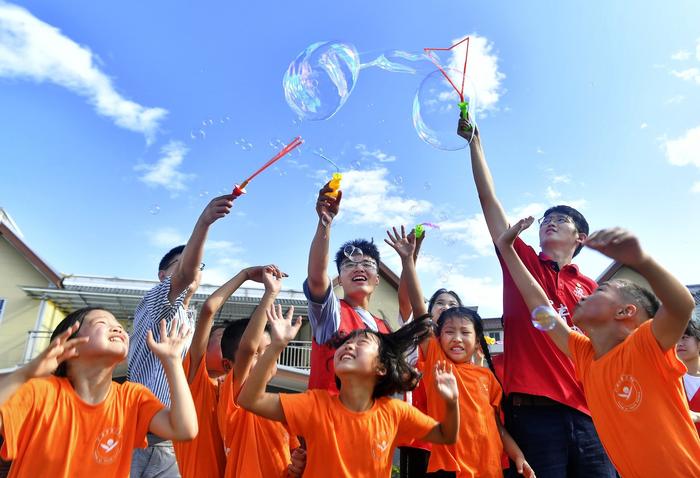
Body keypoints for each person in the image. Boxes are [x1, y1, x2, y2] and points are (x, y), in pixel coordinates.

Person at [457, 120, 615, 477]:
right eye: (546, 218)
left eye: (560, 219)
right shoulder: (521, 260)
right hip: (532, 414)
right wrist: (475, 143)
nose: (550, 222)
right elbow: (489, 200)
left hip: (589, 413)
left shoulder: (591, 288)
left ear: (581, 237)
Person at [496, 218, 700, 476]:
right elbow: (539, 305)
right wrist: (507, 249)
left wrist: (641, 260)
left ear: (626, 311)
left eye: (599, 292)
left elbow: (682, 306)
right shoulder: (585, 355)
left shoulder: (645, 346)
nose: (583, 296)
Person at [238, 302, 459, 477]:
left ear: (381, 367)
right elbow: (250, 400)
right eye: (345, 343)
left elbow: (446, 435)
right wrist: (276, 345)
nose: (349, 345)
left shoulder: (395, 412)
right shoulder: (315, 404)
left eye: (362, 342)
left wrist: (451, 403)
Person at [387, 226, 533, 478]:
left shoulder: (488, 378)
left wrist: (518, 454)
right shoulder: (436, 361)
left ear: (478, 342)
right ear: (437, 337)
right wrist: (408, 260)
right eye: (449, 332)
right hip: (449, 468)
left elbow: (497, 426)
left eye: (464, 333)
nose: (456, 338)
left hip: (489, 469)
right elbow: (420, 312)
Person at [0, 307, 197, 478]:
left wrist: (172, 362)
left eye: (119, 325)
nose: (118, 327)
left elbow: (184, 430)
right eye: (101, 322)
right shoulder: (41, 391)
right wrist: (24, 373)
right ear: (70, 344)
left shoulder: (132, 398)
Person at [129, 194, 234, 477]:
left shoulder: (188, 319)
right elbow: (185, 277)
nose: (194, 269)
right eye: (183, 262)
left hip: (170, 440)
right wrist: (204, 222)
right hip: (136, 433)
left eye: (199, 266)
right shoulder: (156, 302)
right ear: (162, 275)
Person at [173, 265, 274, 477]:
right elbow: (209, 309)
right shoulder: (195, 381)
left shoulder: (243, 395)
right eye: (219, 339)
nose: (223, 343)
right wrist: (244, 275)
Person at [216, 266, 305, 478]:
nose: (266, 356)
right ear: (229, 366)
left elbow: (291, 457)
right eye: (258, 354)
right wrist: (270, 294)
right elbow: (247, 348)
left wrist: (297, 466)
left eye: (267, 350)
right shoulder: (234, 398)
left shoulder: (280, 407)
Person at [304, 183, 390, 392]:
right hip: (329, 422)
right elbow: (316, 278)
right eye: (349, 265)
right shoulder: (331, 313)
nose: (358, 268)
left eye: (367, 264)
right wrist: (325, 222)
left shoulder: (384, 328)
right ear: (340, 279)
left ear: (377, 278)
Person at [396, 230, 463, 478]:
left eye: (453, 305)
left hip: (456, 440)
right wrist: (410, 257)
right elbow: (408, 300)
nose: (446, 307)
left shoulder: (463, 349)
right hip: (420, 438)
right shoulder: (418, 338)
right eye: (440, 303)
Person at [676, 318, 700, 434]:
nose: (679, 343)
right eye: (676, 339)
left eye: (685, 337)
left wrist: (697, 417)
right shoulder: (671, 378)